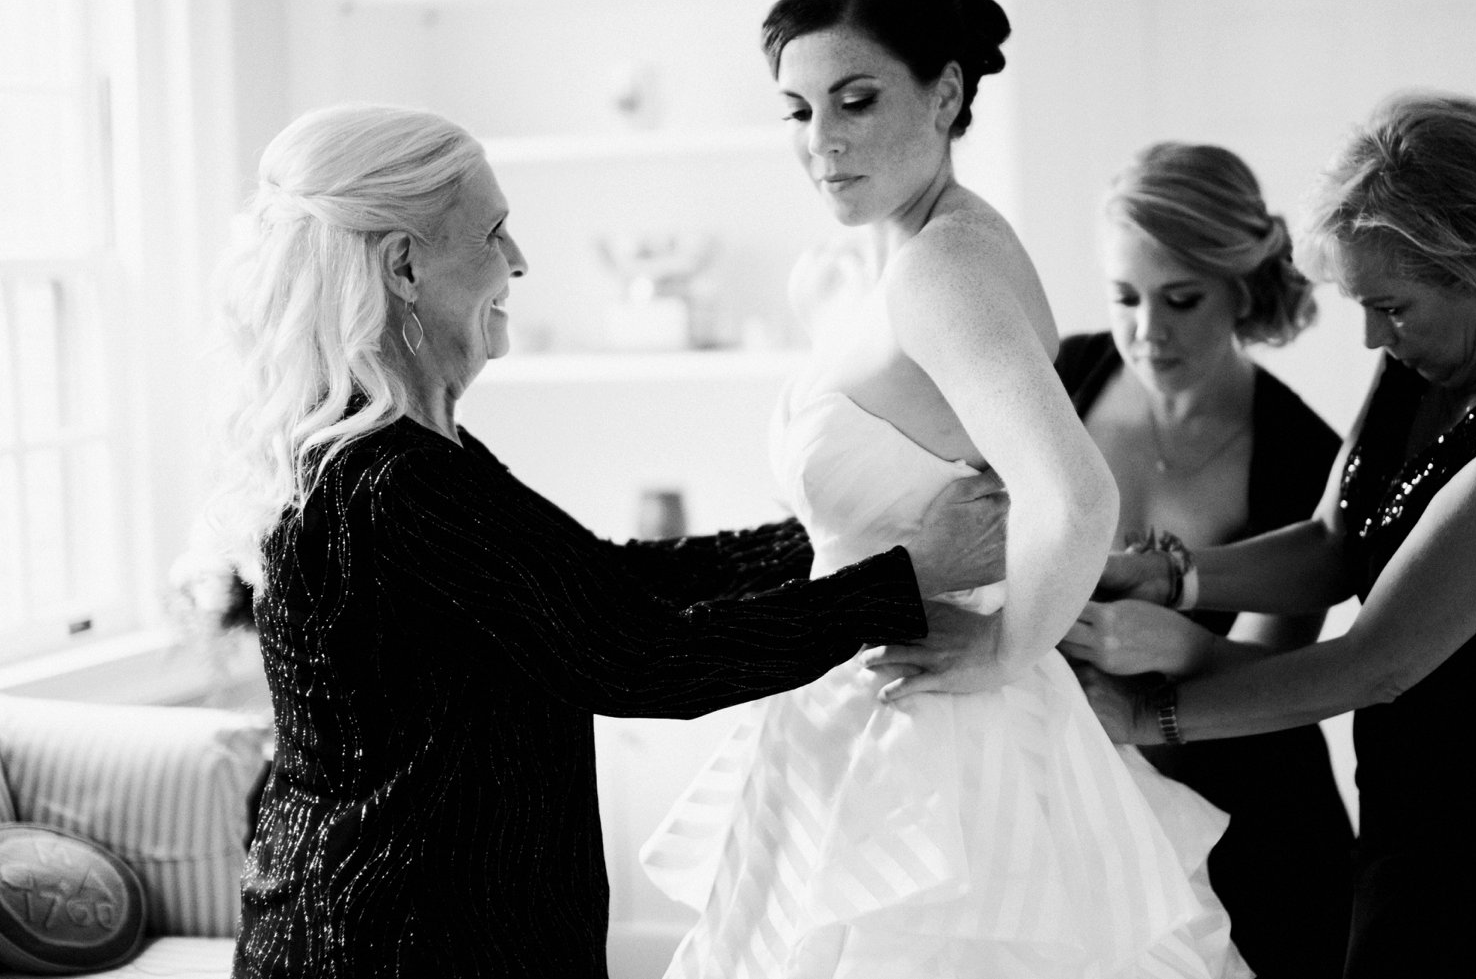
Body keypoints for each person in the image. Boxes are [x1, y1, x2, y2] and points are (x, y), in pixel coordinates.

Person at [192, 104, 1010, 979]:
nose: (518, 260)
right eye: (495, 231)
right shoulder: (393, 481)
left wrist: (828, 537)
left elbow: (601, 584)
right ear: (404, 266)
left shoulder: (400, 453)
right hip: (400, 946)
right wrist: (901, 579)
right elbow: (637, 654)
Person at [641, 0, 1248, 978]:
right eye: (798, 108)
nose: (822, 140)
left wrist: (1004, 648)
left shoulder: (946, 268)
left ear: (944, 92)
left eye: (857, 99)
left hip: (933, 746)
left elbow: (1076, 496)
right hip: (833, 707)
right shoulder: (839, 272)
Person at [1078, 92, 1476, 979]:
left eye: (1390, 306)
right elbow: (1331, 544)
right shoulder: (1436, 355)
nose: (1369, 334)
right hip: (1406, 800)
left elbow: (1373, 663)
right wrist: (1174, 578)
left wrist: (1146, 713)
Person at [1054, 141, 1353, 979]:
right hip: (1073, 807)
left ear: (1241, 286)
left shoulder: (1303, 456)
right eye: (1124, 297)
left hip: (1248, 824)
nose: (1148, 331)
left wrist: (1179, 645)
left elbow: (1280, 683)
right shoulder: (1063, 378)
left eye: (1180, 298)